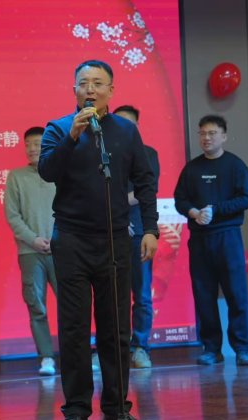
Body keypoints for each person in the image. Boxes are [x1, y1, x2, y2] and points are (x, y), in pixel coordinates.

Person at [38, 59, 159, 420]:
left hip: (115, 239)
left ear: (111, 90)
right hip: (71, 239)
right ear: (74, 89)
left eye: (97, 82)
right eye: (83, 83)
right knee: (74, 329)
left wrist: (150, 228)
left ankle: (117, 406)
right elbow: (47, 171)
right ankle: (76, 408)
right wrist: (73, 137)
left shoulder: (125, 131)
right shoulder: (58, 128)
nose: (90, 89)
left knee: (115, 328)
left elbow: (145, 181)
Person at [173, 115, 248, 366]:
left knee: (236, 295)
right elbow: (180, 199)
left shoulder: (235, 165)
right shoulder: (192, 168)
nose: (206, 138)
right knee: (204, 295)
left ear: (224, 136)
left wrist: (215, 209)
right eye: (202, 133)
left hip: (228, 237)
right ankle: (211, 349)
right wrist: (194, 212)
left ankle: (242, 349)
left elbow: (247, 199)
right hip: (199, 239)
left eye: (212, 133)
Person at [4, 126, 58, 376]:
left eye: (37, 143)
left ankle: (76, 354)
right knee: (36, 305)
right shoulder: (16, 177)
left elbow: (74, 208)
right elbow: (12, 216)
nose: (32, 148)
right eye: (28, 144)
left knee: (71, 305)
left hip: (61, 250)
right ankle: (46, 356)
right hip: (29, 251)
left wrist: (57, 239)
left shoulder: (62, 172)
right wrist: (33, 239)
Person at [113, 105, 160, 369]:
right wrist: (118, 215)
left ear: (137, 127)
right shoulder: (103, 155)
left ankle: (140, 347)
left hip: (139, 232)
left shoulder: (148, 154)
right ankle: (112, 348)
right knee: (111, 294)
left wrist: (119, 206)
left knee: (141, 293)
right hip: (111, 232)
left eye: (128, 123)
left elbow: (146, 190)